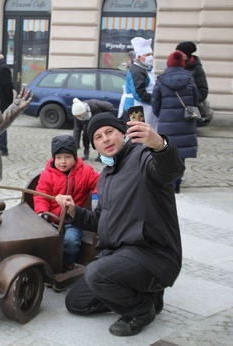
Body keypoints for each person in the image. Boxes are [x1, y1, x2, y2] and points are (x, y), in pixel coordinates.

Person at [55, 112, 185, 337]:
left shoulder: (143, 155)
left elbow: (171, 170)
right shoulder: (106, 176)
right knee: (76, 303)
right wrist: (74, 212)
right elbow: (99, 220)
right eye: (97, 137)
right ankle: (149, 296)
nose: (104, 139)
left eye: (109, 132)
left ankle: (141, 311)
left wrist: (159, 144)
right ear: (94, 146)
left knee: (96, 273)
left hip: (153, 255)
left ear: (122, 134)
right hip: (119, 255)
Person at [33, 135, 99, 273]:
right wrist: (42, 213)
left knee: (71, 242)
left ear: (75, 157)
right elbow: (40, 196)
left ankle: (67, 264)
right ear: (53, 158)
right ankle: (45, 264)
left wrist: (96, 196)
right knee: (42, 241)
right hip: (51, 218)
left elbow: (100, 183)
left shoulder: (85, 172)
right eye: (58, 157)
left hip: (72, 219)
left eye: (67, 157)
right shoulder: (47, 175)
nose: (63, 161)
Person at [152, 50, 199, 193]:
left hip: (167, 123)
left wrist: (163, 115)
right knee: (181, 154)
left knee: (167, 152)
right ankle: (178, 182)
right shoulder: (190, 79)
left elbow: (155, 104)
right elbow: (195, 100)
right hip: (186, 122)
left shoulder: (161, 80)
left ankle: (170, 182)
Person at [123, 37, 157, 130]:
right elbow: (139, 94)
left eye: (151, 54)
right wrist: (155, 99)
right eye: (147, 55)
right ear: (139, 57)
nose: (150, 57)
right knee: (137, 136)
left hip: (145, 108)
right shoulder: (137, 71)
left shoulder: (146, 69)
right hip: (135, 110)